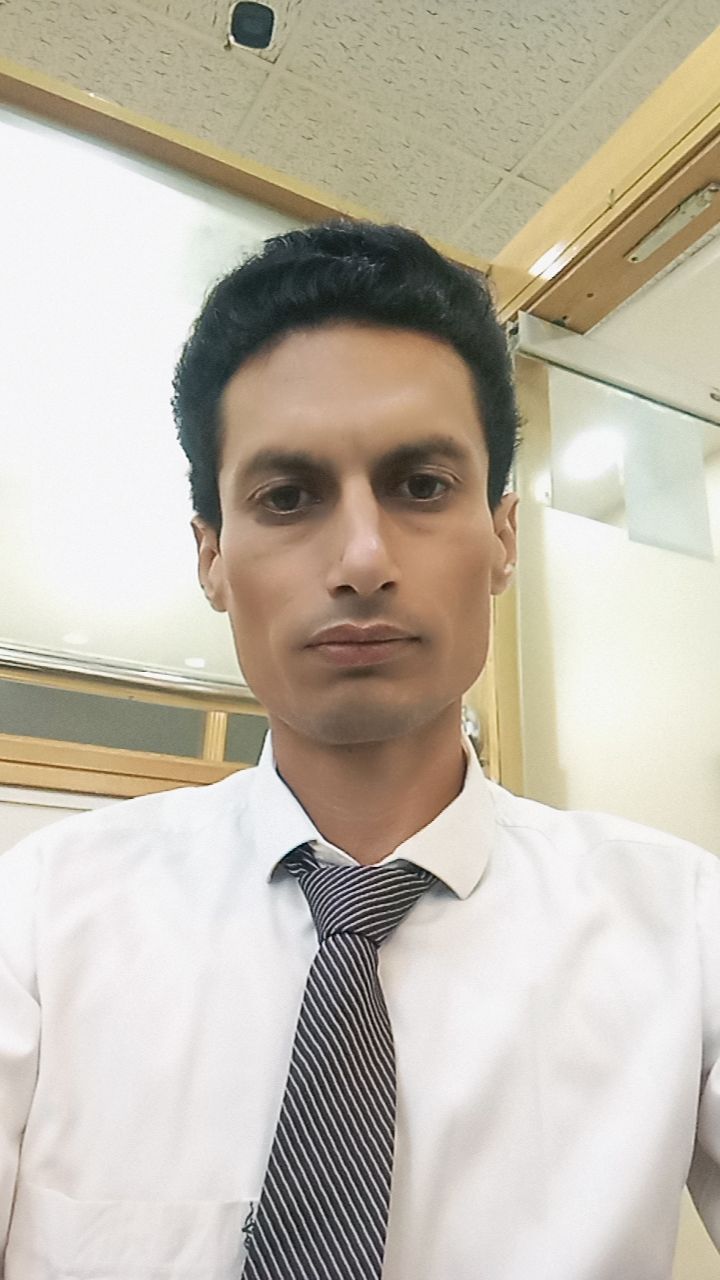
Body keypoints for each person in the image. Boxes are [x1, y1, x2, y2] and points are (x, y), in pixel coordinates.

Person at [0, 220, 718, 1280]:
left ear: (503, 537)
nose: (363, 558)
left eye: (420, 485)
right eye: (288, 497)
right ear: (211, 557)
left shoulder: (687, 928)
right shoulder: (39, 920)